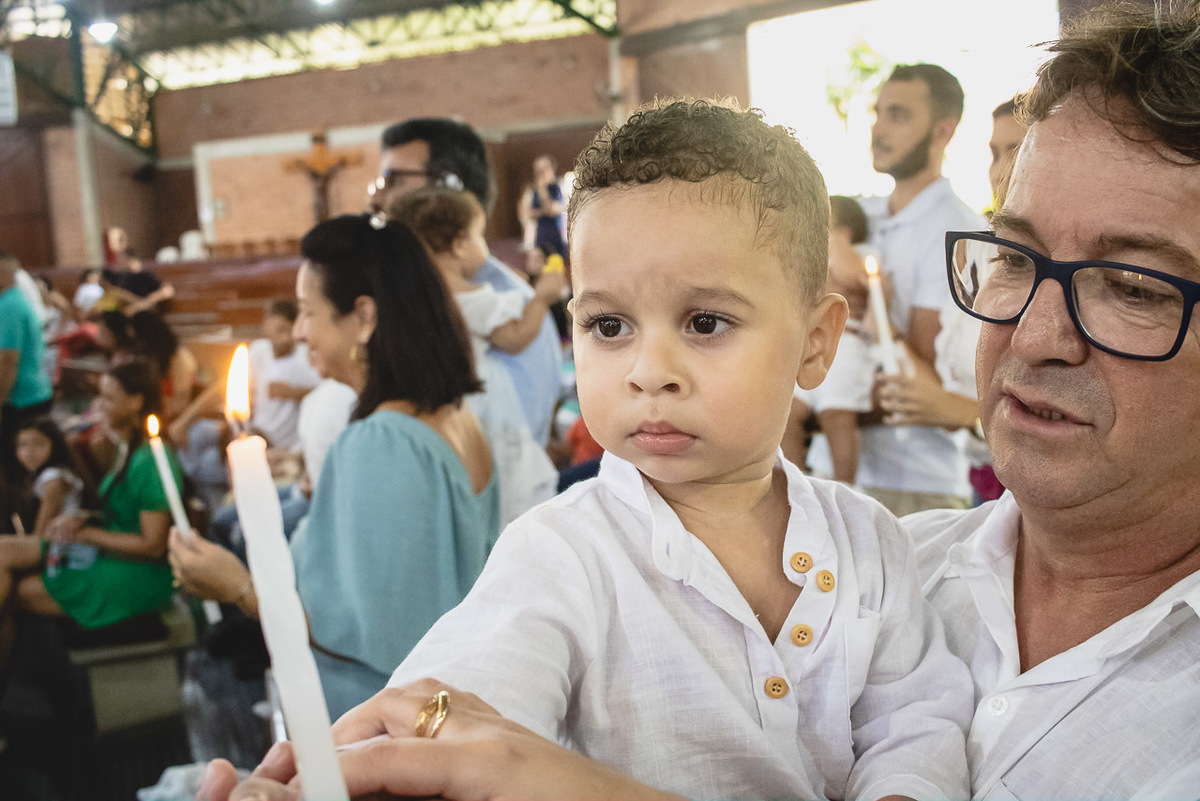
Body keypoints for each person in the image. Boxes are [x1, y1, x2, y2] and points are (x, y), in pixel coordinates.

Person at [209, 99, 973, 801]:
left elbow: (918, 728)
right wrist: (368, 771)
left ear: (816, 343)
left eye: (705, 322)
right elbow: (467, 697)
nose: (648, 371)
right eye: (609, 326)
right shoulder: (562, 551)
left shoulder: (870, 542)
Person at [169, 214, 501, 720]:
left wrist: (235, 585)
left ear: (363, 317)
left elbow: (368, 636)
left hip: (376, 722)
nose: (301, 332)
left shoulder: (380, 441)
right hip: (439, 709)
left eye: (307, 312)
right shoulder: (453, 416)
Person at [813, 63, 985, 516]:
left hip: (913, 483)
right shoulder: (854, 214)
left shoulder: (960, 232)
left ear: (943, 131)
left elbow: (923, 378)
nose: (879, 128)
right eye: (878, 112)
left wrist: (868, 301)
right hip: (824, 464)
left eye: (899, 115)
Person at [369, 117, 562, 446]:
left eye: (393, 180)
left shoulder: (512, 305)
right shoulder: (399, 289)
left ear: (447, 189)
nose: (376, 199)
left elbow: (509, 447)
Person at [877, 99, 1025, 504]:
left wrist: (960, 412)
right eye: (994, 154)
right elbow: (929, 394)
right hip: (982, 481)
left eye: (1018, 150)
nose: (1001, 170)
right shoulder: (983, 258)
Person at [389, 187, 562, 526]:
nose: (483, 247)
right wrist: (542, 299)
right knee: (509, 483)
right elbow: (514, 338)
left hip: (443, 405)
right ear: (458, 244)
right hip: (483, 400)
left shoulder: (413, 298)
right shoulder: (466, 297)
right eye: (478, 236)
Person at [0, 360, 183, 676]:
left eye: (109, 398)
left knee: (15, 590)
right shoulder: (127, 446)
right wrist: (85, 518)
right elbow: (122, 511)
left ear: (136, 401)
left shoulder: (152, 459)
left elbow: (152, 545)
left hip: (140, 573)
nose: (100, 406)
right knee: (3, 550)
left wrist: (89, 534)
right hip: (110, 548)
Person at [800, 196, 876, 484]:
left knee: (836, 414)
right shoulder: (814, 257)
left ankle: (846, 486)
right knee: (789, 413)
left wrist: (831, 238)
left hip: (849, 346)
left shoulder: (862, 254)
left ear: (842, 231)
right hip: (811, 344)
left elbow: (853, 275)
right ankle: (791, 485)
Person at [0, 253, 54, 484]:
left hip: (22, 398)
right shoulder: (14, 300)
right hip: (32, 392)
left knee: (16, 470)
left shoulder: (10, 306)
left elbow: (7, 360)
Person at [246, 298, 320, 450]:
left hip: (290, 445)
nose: (285, 338)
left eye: (289, 330)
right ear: (266, 327)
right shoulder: (258, 351)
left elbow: (328, 393)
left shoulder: (306, 357)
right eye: (279, 330)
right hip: (259, 434)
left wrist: (294, 392)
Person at [9, 416, 86, 538]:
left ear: (54, 445)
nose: (29, 452)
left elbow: (41, 532)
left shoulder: (52, 477)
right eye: (22, 445)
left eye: (38, 444)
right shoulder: (36, 476)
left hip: (65, 544)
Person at [128, 310, 199, 425]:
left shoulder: (179, 358)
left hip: (175, 419)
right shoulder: (150, 356)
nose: (136, 345)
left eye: (137, 340)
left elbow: (181, 403)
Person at [518, 154, 568, 258]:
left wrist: (542, 190)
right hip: (539, 239)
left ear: (552, 168)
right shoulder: (532, 190)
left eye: (542, 170)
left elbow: (552, 209)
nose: (539, 174)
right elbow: (526, 214)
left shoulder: (558, 187)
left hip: (556, 239)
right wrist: (542, 211)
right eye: (537, 170)